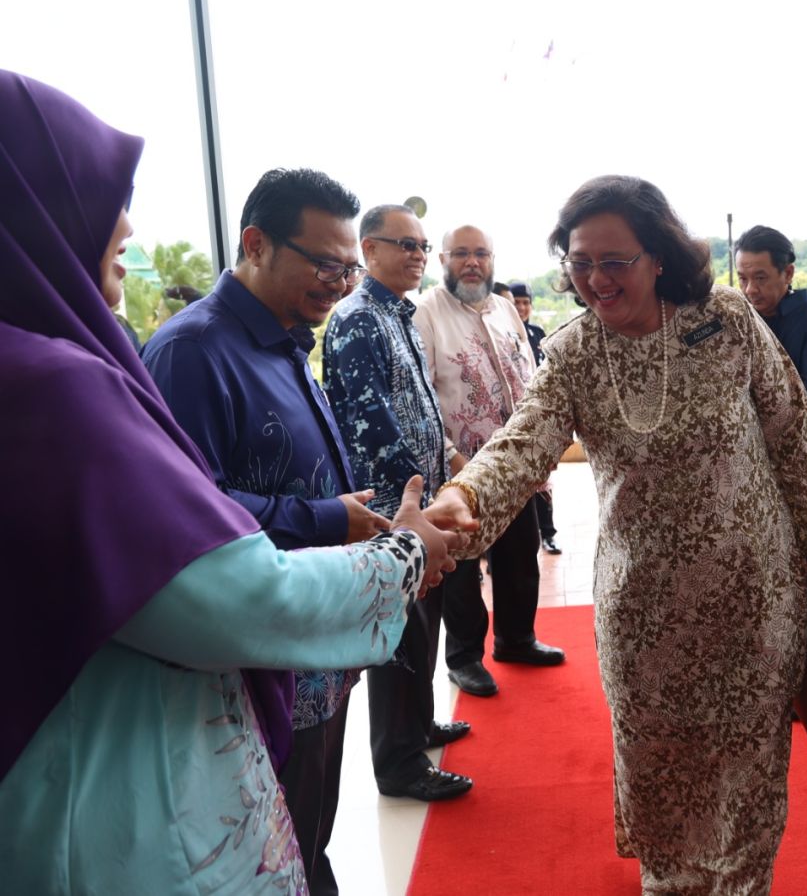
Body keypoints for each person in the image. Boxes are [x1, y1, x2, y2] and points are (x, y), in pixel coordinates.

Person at [0, 70, 457, 894]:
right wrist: (392, 551)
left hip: (276, 668)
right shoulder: (102, 376)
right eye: (100, 194)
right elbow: (202, 564)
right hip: (125, 777)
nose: (128, 225)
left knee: (313, 827)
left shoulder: (281, 339)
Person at [425, 175, 807, 892]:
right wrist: (461, 498)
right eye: (579, 262)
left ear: (657, 257)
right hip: (643, 606)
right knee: (657, 761)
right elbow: (521, 444)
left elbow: (790, 428)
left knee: (747, 760)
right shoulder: (573, 353)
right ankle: (670, 880)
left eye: (614, 261)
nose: (595, 278)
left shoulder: (724, 318)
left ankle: (744, 884)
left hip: (752, 593)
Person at [142, 169, 426, 889]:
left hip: (312, 646)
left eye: (348, 268)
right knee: (277, 850)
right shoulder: (193, 351)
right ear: (256, 244)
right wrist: (330, 516)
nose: (341, 283)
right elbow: (185, 514)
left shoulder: (285, 338)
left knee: (311, 833)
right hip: (261, 666)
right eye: (325, 265)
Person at [323, 204, 475, 802]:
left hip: (421, 505)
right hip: (392, 512)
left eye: (421, 245)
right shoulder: (358, 318)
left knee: (422, 629)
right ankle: (399, 763)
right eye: (404, 244)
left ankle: (419, 726)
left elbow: (419, 409)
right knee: (398, 638)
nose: (417, 255)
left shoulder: (399, 315)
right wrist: (419, 498)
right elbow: (372, 425)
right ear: (369, 250)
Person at [412, 225, 565, 700]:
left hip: (515, 466)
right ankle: (464, 659)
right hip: (461, 471)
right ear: (443, 260)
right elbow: (421, 399)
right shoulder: (426, 313)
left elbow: (532, 375)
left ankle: (516, 639)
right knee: (461, 567)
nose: (472, 262)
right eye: (461, 253)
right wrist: (451, 457)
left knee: (520, 555)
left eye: (481, 253)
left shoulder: (504, 308)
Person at [733, 224, 807, 444]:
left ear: (788, 273)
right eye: (743, 279)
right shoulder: (739, 319)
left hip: (806, 447)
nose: (750, 289)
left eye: (760, 278)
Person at [510, 279, 562, 555]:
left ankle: (548, 533)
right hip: (513, 418)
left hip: (539, 418)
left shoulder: (538, 333)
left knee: (543, 481)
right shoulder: (504, 333)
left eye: (525, 302)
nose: (521, 308)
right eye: (516, 302)